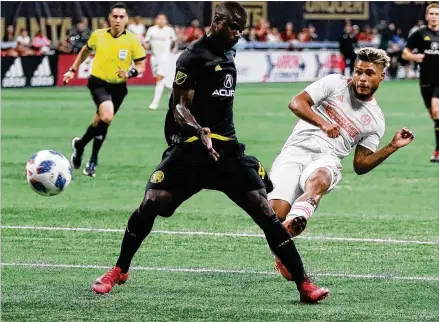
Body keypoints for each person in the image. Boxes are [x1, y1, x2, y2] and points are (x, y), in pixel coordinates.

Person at [91, 1, 328, 304]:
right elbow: (178, 107)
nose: (237, 35)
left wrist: (216, 138)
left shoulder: (229, 51)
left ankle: (304, 285)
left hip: (226, 150)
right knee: (154, 202)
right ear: (217, 22)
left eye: (241, 30)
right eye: (233, 28)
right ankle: (119, 269)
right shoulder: (192, 57)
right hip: (191, 147)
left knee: (263, 210)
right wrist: (197, 130)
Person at [267, 48, 415, 279]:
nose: (362, 79)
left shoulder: (375, 120)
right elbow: (296, 103)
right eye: (358, 72)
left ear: (382, 76)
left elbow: (360, 164)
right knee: (275, 215)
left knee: (321, 178)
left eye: (369, 73)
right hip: (294, 151)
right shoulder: (335, 83)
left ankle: (300, 218)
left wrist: (392, 146)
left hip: (328, 157)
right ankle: (283, 247)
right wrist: (323, 123)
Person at [63, 3, 146, 177]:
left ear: (127, 20)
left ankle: (80, 145)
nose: (117, 20)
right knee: (107, 116)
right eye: (114, 16)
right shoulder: (98, 35)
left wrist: (130, 72)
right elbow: (85, 51)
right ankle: (93, 159)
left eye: (121, 17)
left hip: (119, 87)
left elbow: (141, 65)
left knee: (100, 122)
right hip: (98, 82)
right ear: (109, 18)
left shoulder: (132, 40)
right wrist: (72, 69)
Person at [402, 3, 439, 162]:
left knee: (437, 111)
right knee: (435, 117)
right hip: (425, 80)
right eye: (431, 13)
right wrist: (416, 57)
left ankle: (437, 152)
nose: (434, 16)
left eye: (437, 14)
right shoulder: (419, 33)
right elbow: (405, 53)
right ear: (426, 16)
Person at [144, 13, 177, 110]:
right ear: (156, 20)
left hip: (166, 59)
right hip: (154, 58)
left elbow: (174, 41)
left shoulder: (170, 30)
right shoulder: (151, 30)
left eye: (163, 19)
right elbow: (146, 42)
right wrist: (146, 46)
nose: (161, 21)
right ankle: (173, 103)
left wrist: (172, 53)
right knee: (167, 82)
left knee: (160, 80)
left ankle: (155, 103)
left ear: (166, 20)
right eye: (160, 19)